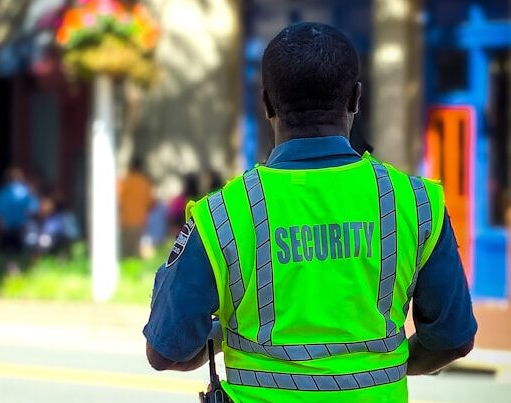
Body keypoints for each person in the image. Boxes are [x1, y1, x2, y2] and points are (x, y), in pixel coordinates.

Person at [143, 23, 476, 403]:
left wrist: (222, 335)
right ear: (355, 98)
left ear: (267, 103)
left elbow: (166, 350)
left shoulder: (222, 215)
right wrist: (387, 368)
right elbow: (453, 338)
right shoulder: (416, 204)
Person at [0, 167, 38, 253]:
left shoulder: (1, 193)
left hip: (7, 227)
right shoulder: (26, 191)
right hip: (21, 227)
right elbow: (33, 210)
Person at [119, 157, 154, 257]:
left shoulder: (125, 182)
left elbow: (118, 200)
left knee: (125, 253)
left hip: (125, 221)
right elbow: (151, 203)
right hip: (140, 222)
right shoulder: (145, 183)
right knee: (136, 253)